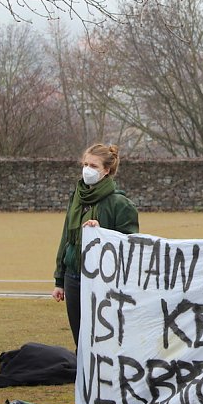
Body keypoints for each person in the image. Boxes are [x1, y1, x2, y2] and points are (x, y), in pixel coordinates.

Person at [52, 144, 139, 347]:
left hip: (103, 279)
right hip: (73, 275)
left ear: (106, 170)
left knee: (102, 335)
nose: (87, 169)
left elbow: (129, 244)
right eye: (85, 164)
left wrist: (102, 232)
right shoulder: (77, 197)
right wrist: (59, 279)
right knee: (79, 335)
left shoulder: (120, 203)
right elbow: (67, 236)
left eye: (93, 165)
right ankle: (83, 376)